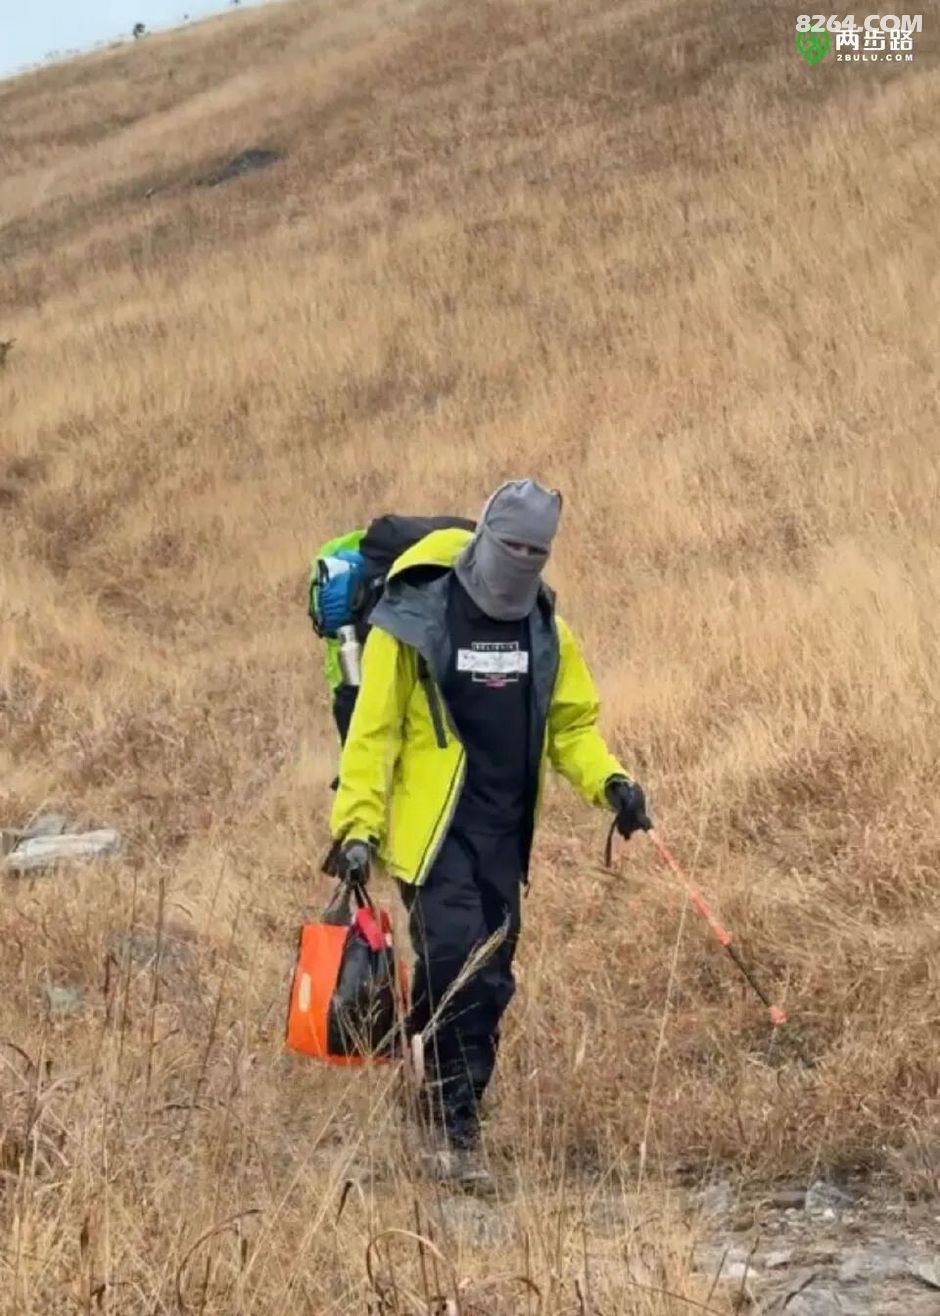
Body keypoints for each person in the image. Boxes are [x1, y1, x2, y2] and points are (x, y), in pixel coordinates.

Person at [328, 479, 651, 1185]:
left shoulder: (546, 629)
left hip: (504, 832)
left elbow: (571, 727)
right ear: (485, 537)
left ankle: (444, 1096)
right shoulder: (414, 617)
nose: (523, 560)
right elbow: (375, 733)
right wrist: (356, 827)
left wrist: (612, 784)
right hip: (431, 832)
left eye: (538, 551)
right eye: (513, 546)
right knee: (455, 962)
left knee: (492, 980)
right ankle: (452, 1130)